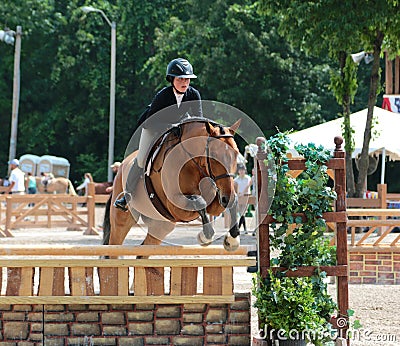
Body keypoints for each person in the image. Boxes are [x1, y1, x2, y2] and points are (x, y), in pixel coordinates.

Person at [114, 57, 203, 211]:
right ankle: (127, 195)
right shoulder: (163, 96)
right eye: (181, 79)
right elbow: (150, 121)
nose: (185, 83)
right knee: (142, 160)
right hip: (153, 128)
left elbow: (199, 120)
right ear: (172, 79)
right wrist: (170, 126)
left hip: (177, 130)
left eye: (188, 79)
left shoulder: (194, 95)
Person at [234, 165, 252, 234]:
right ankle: (244, 229)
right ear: (238, 171)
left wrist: (243, 193)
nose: (241, 171)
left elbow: (248, 187)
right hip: (238, 197)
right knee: (241, 213)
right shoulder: (236, 179)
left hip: (245, 196)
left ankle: (239, 228)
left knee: (243, 212)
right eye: (240, 170)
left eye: (243, 170)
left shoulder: (248, 178)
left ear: (245, 171)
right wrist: (238, 193)